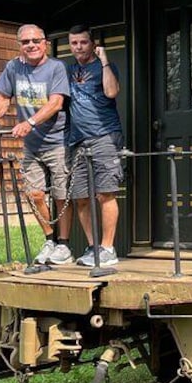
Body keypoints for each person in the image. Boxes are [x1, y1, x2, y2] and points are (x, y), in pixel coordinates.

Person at [0, 24, 74, 265]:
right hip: (32, 145)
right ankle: (50, 239)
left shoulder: (56, 68)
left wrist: (29, 122)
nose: (31, 45)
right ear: (20, 45)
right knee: (34, 193)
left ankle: (65, 245)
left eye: (36, 40)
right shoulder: (14, 67)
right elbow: (2, 98)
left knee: (61, 194)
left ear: (45, 43)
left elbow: (56, 103)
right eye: (26, 41)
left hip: (58, 141)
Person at [66, 24, 123, 267]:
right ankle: (93, 248)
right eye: (74, 43)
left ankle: (108, 249)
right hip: (77, 140)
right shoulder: (67, 71)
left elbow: (112, 92)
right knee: (80, 197)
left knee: (105, 193)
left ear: (92, 44)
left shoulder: (104, 67)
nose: (78, 47)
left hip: (105, 136)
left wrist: (105, 60)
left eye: (83, 42)